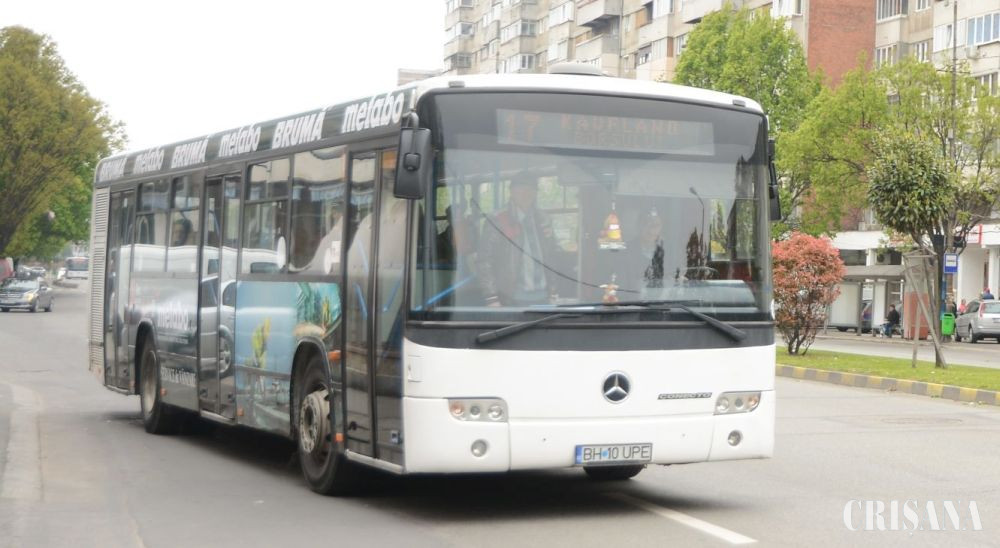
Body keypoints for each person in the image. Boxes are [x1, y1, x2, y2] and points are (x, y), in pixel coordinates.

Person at [477, 175, 562, 307]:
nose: (526, 193)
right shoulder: (498, 219)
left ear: (535, 193)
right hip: (511, 297)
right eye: (521, 189)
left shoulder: (543, 219)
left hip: (544, 296)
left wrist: (553, 291)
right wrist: (491, 297)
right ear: (511, 192)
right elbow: (485, 260)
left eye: (531, 189)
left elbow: (551, 255)